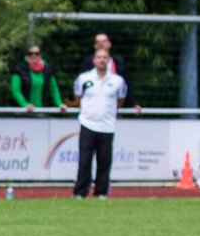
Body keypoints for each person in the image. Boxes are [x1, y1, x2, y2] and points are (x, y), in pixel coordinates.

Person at [72, 48, 126, 199]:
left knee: (104, 161)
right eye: (99, 57)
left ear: (108, 60)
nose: (102, 60)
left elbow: (120, 100)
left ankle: (101, 192)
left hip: (107, 126)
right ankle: (80, 192)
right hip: (87, 124)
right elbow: (77, 98)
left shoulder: (117, 81)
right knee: (84, 161)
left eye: (105, 57)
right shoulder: (83, 78)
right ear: (94, 60)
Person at [80, 32, 141, 114]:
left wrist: (133, 104)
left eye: (104, 41)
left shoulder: (119, 61)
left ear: (109, 44)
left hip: (115, 107)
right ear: (95, 45)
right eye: (98, 42)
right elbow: (81, 87)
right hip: (93, 108)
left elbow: (127, 84)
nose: (101, 44)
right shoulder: (88, 62)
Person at [10, 45, 66, 113]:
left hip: (41, 111)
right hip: (23, 112)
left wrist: (59, 104)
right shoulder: (19, 70)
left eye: (37, 53)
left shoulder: (47, 70)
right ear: (26, 56)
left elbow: (54, 90)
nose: (34, 56)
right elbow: (16, 91)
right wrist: (25, 104)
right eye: (30, 54)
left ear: (40, 55)